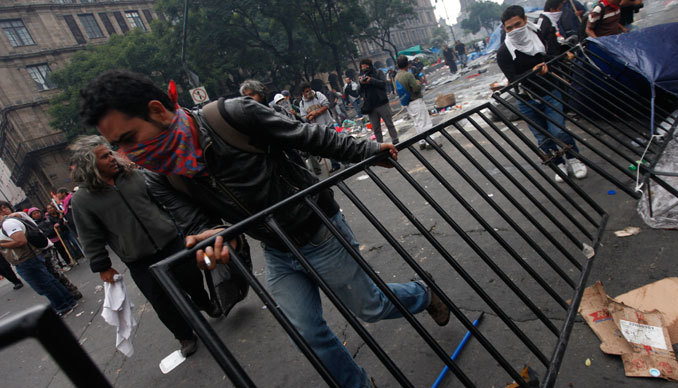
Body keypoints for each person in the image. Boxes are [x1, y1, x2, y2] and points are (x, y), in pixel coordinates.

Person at [80, 70, 449, 388]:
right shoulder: (160, 176)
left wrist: (367, 151)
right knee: (308, 332)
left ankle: (422, 292)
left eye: (128, 139)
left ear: (157, 111)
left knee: (370, 307)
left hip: (317, 229)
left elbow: (307, 136)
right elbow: (198, 222)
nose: (127, 153)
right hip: (275, 248)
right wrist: (213, 237)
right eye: (116, 146)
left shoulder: (232, 116)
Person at [69, 136, 221, 357]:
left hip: (171, 242)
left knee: (192, 278)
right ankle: (184, 335)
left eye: (111, 153)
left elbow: (162, 202)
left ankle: (203, 302)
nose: (112, 158)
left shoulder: (134, 176)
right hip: (139, 259)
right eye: (104, 156)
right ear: (90, 164)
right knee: (161, 301)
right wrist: (102, 266)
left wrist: (182, 227)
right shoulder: (82, 200)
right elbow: (89, 236)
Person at [497, 5, 587, 182]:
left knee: (558, 130)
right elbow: (512, 78)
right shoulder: (504, 52)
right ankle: (558, 162)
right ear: (504, 29)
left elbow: (552, 57)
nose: (515, 30)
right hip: (526, 97)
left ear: (525, 21)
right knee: (542, 137)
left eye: (517, 24)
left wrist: (549, 65)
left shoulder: (539, 36)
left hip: (549, 90)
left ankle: (573, 158)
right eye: (509, 28)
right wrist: (533, 71)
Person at [0, 201, 77, 317]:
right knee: (48, 281)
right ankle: (68, 301)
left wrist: (2, 245)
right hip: (27, 259)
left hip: (27, 259)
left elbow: (21, 241)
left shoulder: (8, 224)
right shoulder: (7, 222)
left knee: (44, 285)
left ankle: (63, 306)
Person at [395, 56, 442, 150]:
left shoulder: (397, 76)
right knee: (425, 122)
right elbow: (416, 89)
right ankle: (430, 142)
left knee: (417, 123)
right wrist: (418, 83)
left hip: (408, 103)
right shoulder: (408, 75)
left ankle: (422, 142)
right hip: (416, 101)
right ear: (407, 64)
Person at [299, 83, 342, 173]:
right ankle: (335, 164)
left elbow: (326, 105)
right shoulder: (302, 103)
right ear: (303, 93)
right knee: (327, 147)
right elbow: (304, 118)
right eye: (306, 91)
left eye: (310, 90)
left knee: (337, 143)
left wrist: (316, 112)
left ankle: (346, 162)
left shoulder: (318, 95)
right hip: (318, 129)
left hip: (328, 124)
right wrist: (310, 116)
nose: (309, 92)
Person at [359, 59, 400, 144]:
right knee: (376, 128)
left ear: (369, 65)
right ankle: (380, 144)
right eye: (361, 67)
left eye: (364, 66)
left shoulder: (378, 72)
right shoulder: (361, 76)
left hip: (382, 103)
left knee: (389, 123)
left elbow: (383, 84)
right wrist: (360, 83)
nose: (363, 68)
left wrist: (371, 80)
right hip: (370, 107)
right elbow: (358, 92)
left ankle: (395, 140)